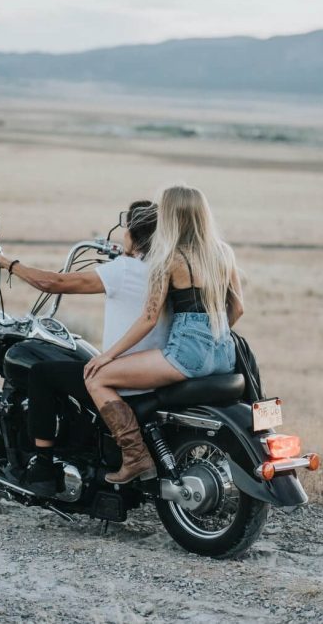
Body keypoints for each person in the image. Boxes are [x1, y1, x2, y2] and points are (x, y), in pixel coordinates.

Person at [0, 200, 170, 495]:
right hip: (156, 371)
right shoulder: (167, 269)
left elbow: (52, 282)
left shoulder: (124, 270)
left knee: (43, 375)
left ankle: (43, 468)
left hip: (124, 377)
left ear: (133, 234)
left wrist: (7, 263)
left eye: (126, 230)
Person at [83, 185, 244, 484]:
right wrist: (209, 338)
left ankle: (135, 459)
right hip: (223, 354)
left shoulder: (168, 257)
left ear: (169, 216)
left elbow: (148, 318)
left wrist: (107, 356)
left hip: (186, 356)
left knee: (97, 377)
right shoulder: (223, 253)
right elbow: (238, 308)